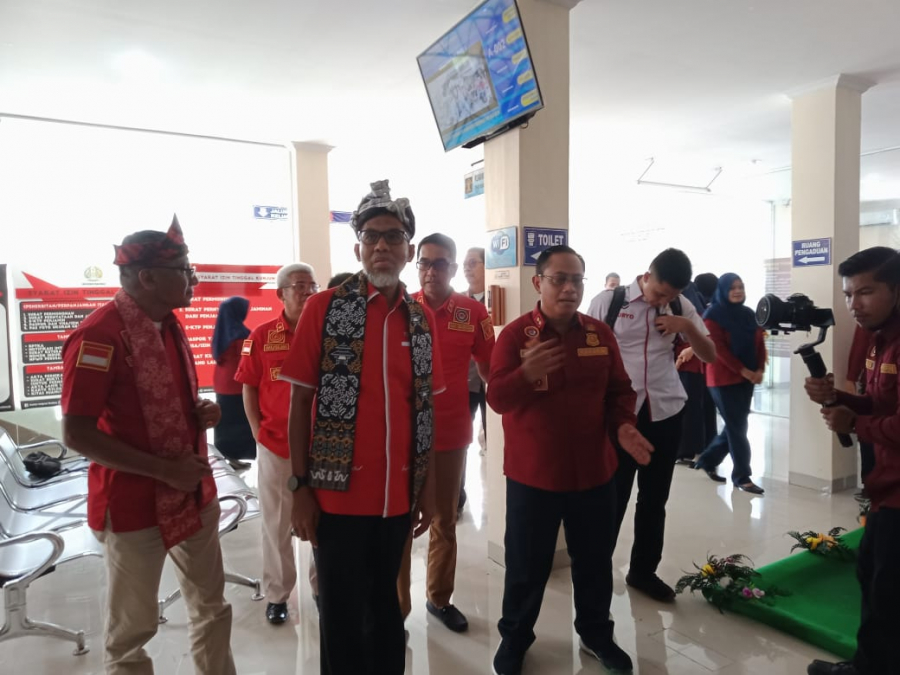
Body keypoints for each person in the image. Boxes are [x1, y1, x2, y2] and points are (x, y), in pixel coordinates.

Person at [280, 180, 445, 675]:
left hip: (397, 497)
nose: (381, 245)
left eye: (393, 236)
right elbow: (299, 403)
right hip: (336, 498)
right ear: (358, 248)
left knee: (386, 610)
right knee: (342, 618)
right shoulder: (325, 308)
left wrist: (428, 489)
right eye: (371, 236)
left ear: (408, 250)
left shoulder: (420, 319)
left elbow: (426, 411)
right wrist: (299, 488)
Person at [60, 216, 236, 675]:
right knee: (131, 634)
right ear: (148, 278)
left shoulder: (168, 325)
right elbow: (77, 433)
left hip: (192, 494)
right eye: (184, 270)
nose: (193, 279)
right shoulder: (98, 336)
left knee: (212, 608)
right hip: (134, 506)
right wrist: (164, 470)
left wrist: (202, 412)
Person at [489, 245, 653, 675]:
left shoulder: (599, 334)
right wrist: (525, 374)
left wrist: (623, 425)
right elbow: (497, 398)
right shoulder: (516, 336)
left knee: (595, 562)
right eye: (558, 279)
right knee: (526, 566)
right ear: (537, 283)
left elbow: (620, 391)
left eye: (576, 279)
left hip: (594, 473)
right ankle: (515, 638)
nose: (568, 288)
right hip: (534, 476)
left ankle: (597, 634)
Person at [587, 248, 716, 602]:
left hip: (665, 411)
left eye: (670, 296)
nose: (662, 301)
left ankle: (643, 571)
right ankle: (596, 571)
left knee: (655, 498)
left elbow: (709, 354)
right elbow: (586, 353)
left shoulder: (680, 307)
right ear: (647, 276)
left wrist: (686, 327)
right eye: (659, 293)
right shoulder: (609, 302)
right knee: (612, 498)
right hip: (620, 416)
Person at [804, 247, 900, 675]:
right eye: (848, 294)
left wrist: (854, 424)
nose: (854, 305)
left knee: (887, 589)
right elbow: (880, 404)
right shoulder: (880, 338)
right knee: (873, 576)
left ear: (896, 290)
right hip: (886, 485)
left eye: (866, 292)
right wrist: (838, 398)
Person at [397, 234, 494, 633]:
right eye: (424, 262)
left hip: (451, 432)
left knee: (444, 519)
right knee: (400, 523)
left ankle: (439, 598)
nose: (431, 270)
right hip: (403, 435)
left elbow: (490, 371)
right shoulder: (401, 309)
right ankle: (397, 610)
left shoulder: (472, 312)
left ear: (453, 269)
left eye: (440, 263)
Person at [234, 262, 319, 624]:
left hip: (322, 447)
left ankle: (322, 589)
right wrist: (257, 431)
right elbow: (249, 386)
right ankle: (278, 594)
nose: (307, 292)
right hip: (276, 445)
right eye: (299, 286)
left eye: (311, 285)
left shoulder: (327, 333)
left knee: (324, 522)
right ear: (280, 294)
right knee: (276, 523)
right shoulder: (261, 336)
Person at [692, 273, 767, 494]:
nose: (737, 291)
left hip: (748, 378)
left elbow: (759, 342)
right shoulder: (712, 316)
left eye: (740, 287)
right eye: (732, 287)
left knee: (736, 424)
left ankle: (708, 459)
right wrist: (744, 371)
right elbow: (719, 351)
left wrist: (759, 369)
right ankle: (742, 476)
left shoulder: (749, 314)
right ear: (723, 290)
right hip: (722, 379)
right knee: (738, 427)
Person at [674, 274, 719, 465]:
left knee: (691, 407)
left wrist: (687, 351)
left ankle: (689, 450)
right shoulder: (706, 307)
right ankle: (704, 446)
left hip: (689, 363)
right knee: (702, 407)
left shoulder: (688, 308)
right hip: (701, 364)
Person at [211, 296, 256, 470]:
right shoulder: (241, 334)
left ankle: (225, 457)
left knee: (225, 423)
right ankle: (236, 456)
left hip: (222, 384)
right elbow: (247, 359)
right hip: (237, 385)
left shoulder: (221, 332)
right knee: (240, 424)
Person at [461, 245, 487, 515]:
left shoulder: (503, 297)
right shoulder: (458, 304)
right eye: (465, 264)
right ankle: (456, 499)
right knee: (459, 442)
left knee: (498, 440)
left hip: (494, 382)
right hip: (466, 383)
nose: (467, 268)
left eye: (473, 263)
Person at [846, 323, 876, 495]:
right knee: (868, 435)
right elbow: (860, 344)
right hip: (872, 385)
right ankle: (870, 484)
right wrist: (851, 377)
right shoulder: (874, 314)